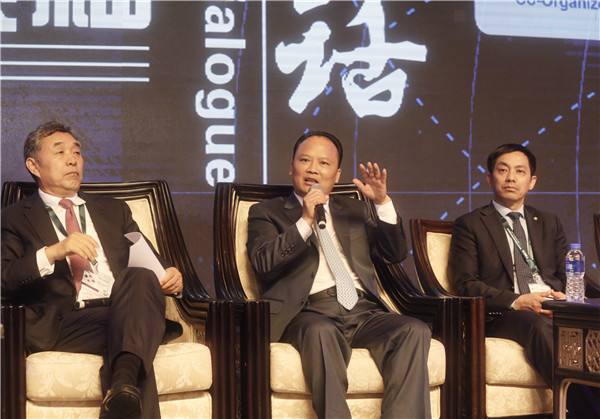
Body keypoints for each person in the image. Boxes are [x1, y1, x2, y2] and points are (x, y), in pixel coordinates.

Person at [1, 121, 183, 419]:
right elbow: (3, 279)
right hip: (65, 322)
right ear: (34, 166)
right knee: (134, 342)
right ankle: (125, 378)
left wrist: (170, 274)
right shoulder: (13, 218)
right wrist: (53, 252)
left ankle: (123, 383)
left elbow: (148, 258)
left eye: (77, 152)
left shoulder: (114, 210)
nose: (73, 159)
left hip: (124, 307)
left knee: (139, 279)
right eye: (60, 152)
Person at [246, 131, 431, 419]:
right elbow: (263, 262)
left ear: (337, 174)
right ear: (291, 167)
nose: (313, 169)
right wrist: (305, 220)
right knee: (321, 331)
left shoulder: (355, 209)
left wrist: (382, 204)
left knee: (414, 330)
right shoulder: (266, 212)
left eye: (323, 163)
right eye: (305, 160)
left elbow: (393, 254)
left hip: (363, 310)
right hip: (308, 312)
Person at [449, 143, 599, 417]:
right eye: (502, 170)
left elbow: (568, 275)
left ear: (531, 181)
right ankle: (588, 411)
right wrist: (518, 301)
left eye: (520, 171)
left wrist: (566, 298)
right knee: (536, 326)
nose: (511, 178)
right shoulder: (470, 224)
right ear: (489, 178)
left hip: (552, 307)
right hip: (505, 313)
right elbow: (465, 284)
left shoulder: (549, 222)